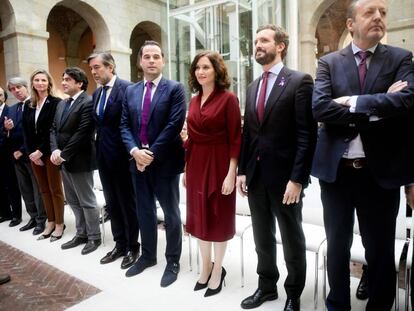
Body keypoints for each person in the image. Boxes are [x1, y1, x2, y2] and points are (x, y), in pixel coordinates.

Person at [311, 0, 414, 310]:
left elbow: (407, 101)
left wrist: (352, 103)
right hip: (337, 174)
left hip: (378, 174)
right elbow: (320, 108)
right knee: (338, 248)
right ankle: (337, 305)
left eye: (383, 12)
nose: (379, 18)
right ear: (351, 24)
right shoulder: (329, 62)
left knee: (380, 251)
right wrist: (379, 106)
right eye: (370, 12)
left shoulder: (401, 59)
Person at [236, 25, 317, 311]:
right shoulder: (252, 85)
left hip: (286, 181)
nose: (258, 45)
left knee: (292, 239)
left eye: (264, 40)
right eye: (256, 40)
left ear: (280, 46)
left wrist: (297, 179)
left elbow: (307, 135)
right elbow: (249, 134)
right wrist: (243, 171)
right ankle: (266, 287)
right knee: (262, 238)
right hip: (256, 177)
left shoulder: (299, 81)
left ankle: (293, 293)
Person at [120, 40, 186, 287]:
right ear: (140, 62)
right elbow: (124, 125)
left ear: (163, 61)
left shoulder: (175, 89)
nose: (151, 60)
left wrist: (149, 154)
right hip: (136, 161)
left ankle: (172, 260)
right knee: (144, 210)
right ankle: (148, 256)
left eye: (156, 56)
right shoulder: (131, 91)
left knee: (170, 213)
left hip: (165, 162)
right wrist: (135, 151)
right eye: (146, 56)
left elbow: (174, 125)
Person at [184, 51, 241, 296]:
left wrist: (231, 174)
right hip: (196, 163)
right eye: (197, 68)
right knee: (199, 217)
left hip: (219, 164)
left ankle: (218, 269)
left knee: (218, 217)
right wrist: (186, 170)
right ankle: (205, 267)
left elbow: (235, 139)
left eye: (206, 67)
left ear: (217, 71)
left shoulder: (228, 99)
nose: (201, 71)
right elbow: (192, 139)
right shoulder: (194, 100)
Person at [88, 52, 140, 269]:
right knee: (112, 202)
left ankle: (132, 246)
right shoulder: (97, 93)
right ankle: (119, 244)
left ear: (111, 67)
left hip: (123, 157)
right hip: (103, 157)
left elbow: (133, 124)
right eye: (91, 69)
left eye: (97, 67)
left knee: (127, 203)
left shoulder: (128, 89)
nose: (93, 72)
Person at [50, 67, 101, 255]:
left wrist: (63, 154)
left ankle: (94, 236)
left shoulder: (88, 102)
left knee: (86, 200)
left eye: (68, 80)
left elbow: (83, 133)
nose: (63, 82)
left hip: (81, 160)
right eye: (62, 79)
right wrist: (55, 149)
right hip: (63, 160)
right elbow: (53, 129)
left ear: (79, 83)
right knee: (72, 200)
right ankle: (82, 233)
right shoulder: (62, 104)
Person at [22, 69, 65, 241]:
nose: (40, 83)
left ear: (49, 83)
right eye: (37, 80)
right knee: (44, 190)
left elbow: (53, 130)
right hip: (34, 155)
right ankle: (51, 221)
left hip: (49, 152)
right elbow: (26, 130)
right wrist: (32, 153)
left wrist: (41, 150)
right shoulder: (29, 104)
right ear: (32, 83)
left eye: (43, 80)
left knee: (55, 189)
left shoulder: (56, 103)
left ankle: (60, 223)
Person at [4, 78, 45, 231]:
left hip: (31, 153)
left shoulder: (35, 104)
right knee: (25, 189)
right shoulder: (12, 109)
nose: (16, 91)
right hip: (15, 157)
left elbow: (34, 132)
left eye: (19, 87)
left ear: (26, 87)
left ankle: (41, 219)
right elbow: (9, 132)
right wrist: (7, 129)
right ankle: (33, 217)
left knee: (37, 188)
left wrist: (22, 150)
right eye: (13, 89)